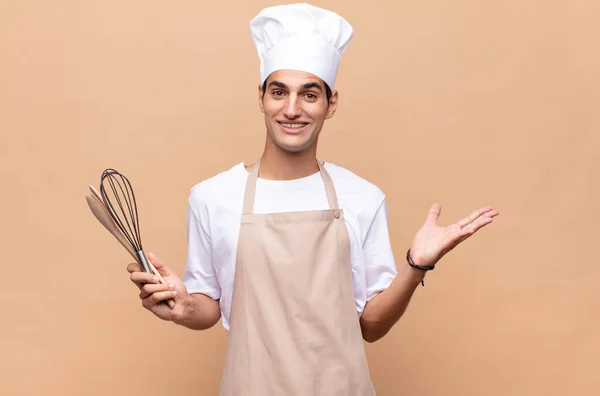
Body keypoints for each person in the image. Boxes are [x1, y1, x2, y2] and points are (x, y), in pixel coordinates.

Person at [126, 3, 499, 395]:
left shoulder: (362, 197)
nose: (292, 109)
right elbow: (208, 305)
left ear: (330, 104)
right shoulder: (212, 197)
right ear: (261, 97)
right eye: (279, 92)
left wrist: (416, 266)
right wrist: (182, 307)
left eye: (309, 94)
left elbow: (371, 326)